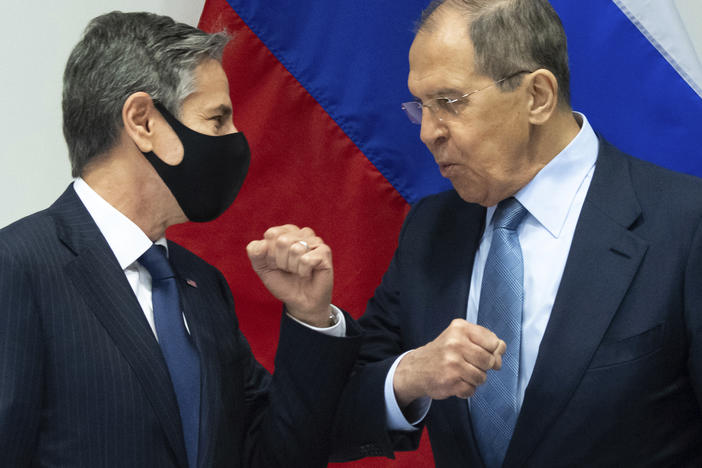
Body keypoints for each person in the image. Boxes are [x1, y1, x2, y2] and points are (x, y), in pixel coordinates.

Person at [331, 0, 702, 466]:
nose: (428, 132)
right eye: (420, 107)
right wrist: (409, 374)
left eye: (448, 102)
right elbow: (334, 418)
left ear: (537, 97)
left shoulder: (687, 224)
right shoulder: (430, 230)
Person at [0, 11, 361, 468]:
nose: (235, 138)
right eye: (217, 119)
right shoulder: (17, 268)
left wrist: (309, 316)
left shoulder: (201, 285)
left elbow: (271, 454)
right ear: (143, 122)